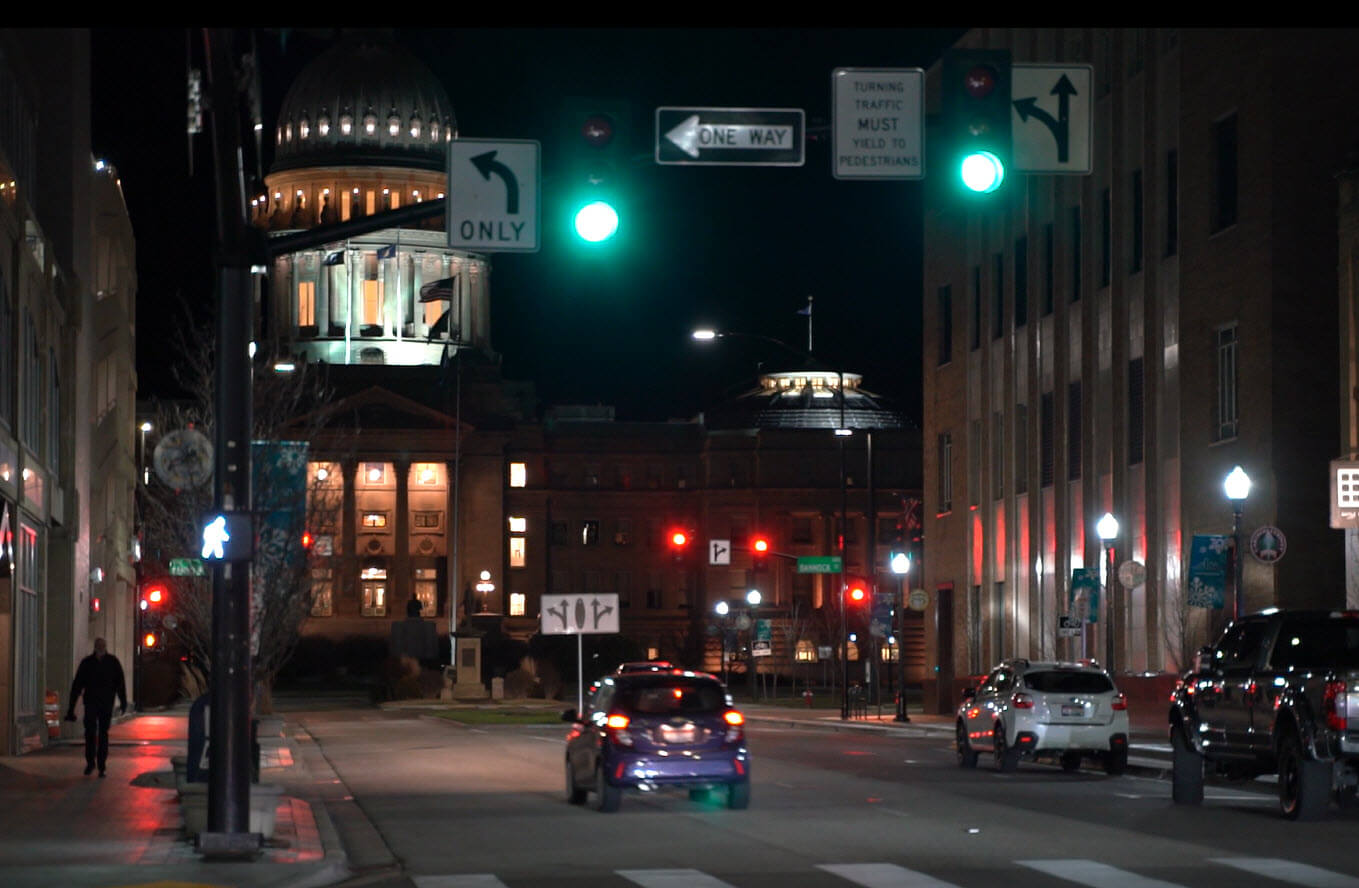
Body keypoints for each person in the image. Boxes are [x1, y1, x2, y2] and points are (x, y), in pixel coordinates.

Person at [64, 637, 127, 777]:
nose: (100, 647)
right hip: (92, 702)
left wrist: (123, 701)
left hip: (104, 703)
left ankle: (101, 765)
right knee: (91, 733)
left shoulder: (111, 662)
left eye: (102, 645)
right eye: (99, 645)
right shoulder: (89, 663)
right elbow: (77, 685)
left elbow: (120, 684)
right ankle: (91, 763)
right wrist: (71, 708)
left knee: (102, 734)